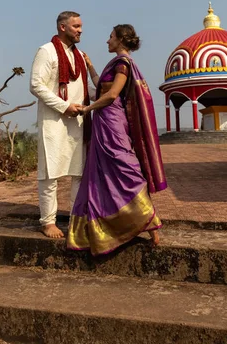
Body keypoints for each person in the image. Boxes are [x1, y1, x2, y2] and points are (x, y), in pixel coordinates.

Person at [67, 24, 167, 256]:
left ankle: (149, 221)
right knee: (103, 174)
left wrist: (87, 109)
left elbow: (111, 96)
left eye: (110, 37)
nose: (107, 41)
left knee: (126, 168)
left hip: (112, 121)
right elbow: (101, 86)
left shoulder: (123, 63)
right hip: (105, 120)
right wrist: (89, 65)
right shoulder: (116, 64)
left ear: (121, 39)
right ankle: (111, 225)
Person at [30, 11, 91, 239]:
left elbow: (85, 90)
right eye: (76, 26)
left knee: (78, 173)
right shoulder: (47, 51)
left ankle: (75, 218)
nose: (80, 30)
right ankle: (47, 222)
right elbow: (36, 85)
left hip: (77, 123)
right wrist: (64, 106)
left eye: (81, 26)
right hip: (53, 121)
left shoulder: (79, 56)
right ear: (62, 27)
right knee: (50, 174)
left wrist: (113, 93)